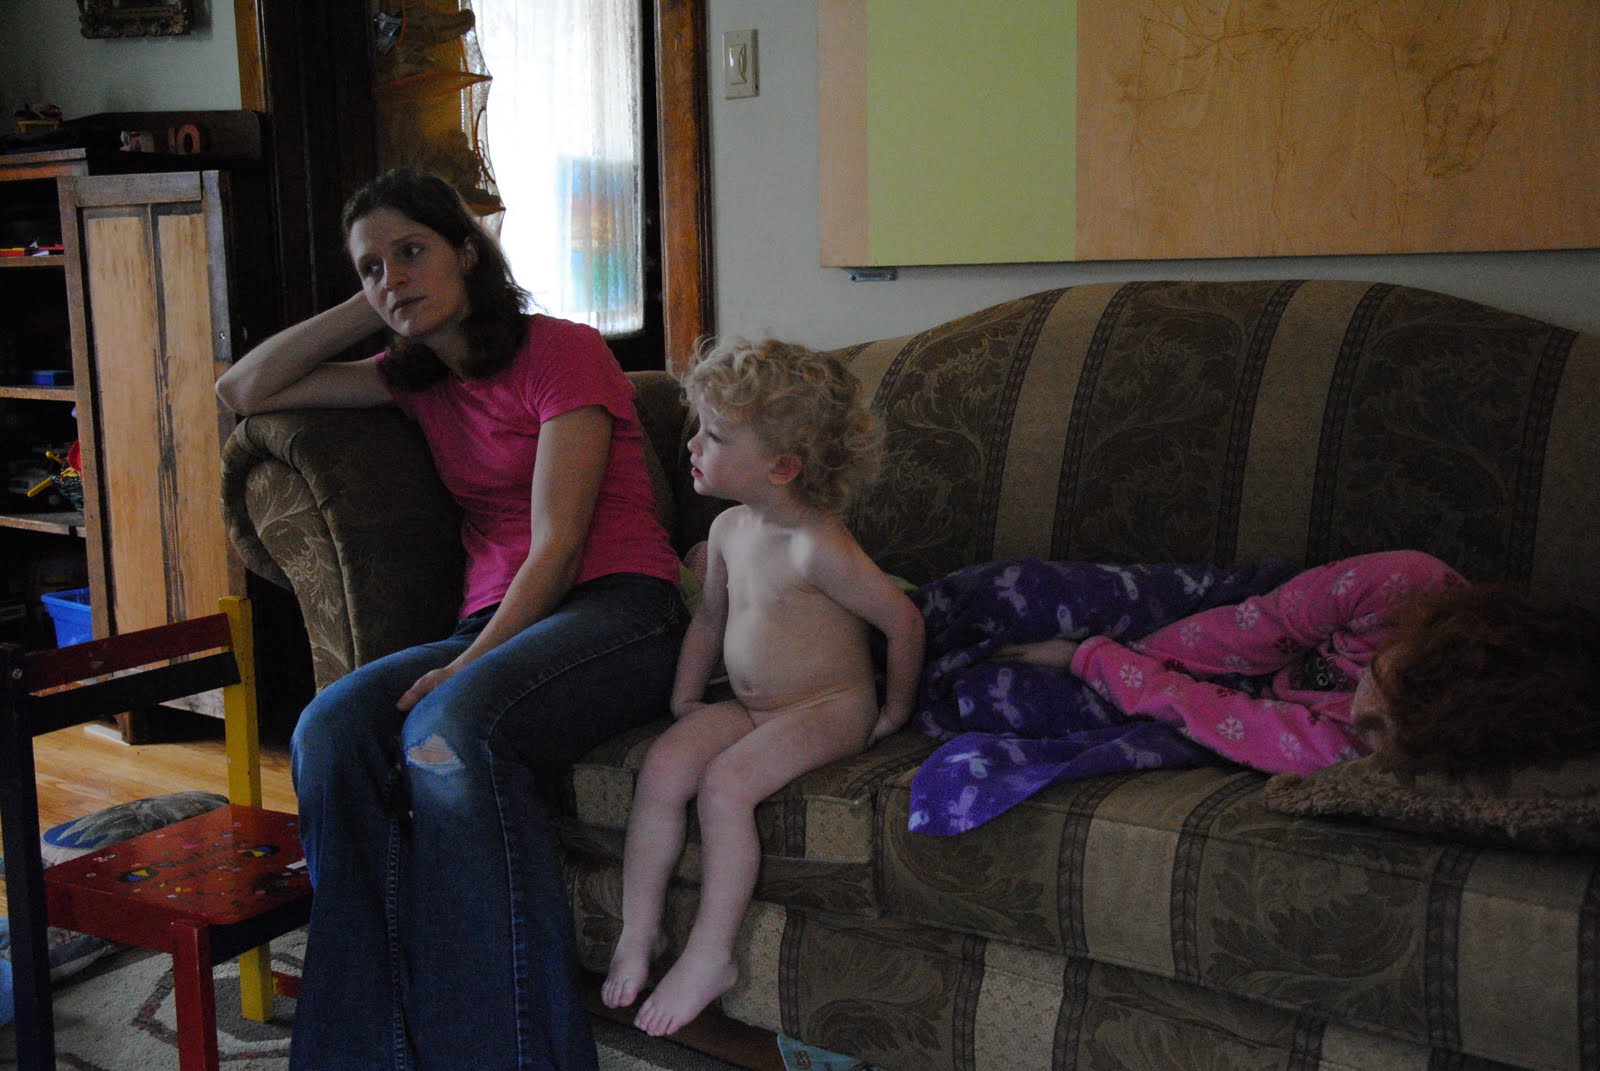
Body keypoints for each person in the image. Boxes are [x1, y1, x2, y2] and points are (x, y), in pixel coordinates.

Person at [214, 168, 688, 1071]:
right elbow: (244, 388)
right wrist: (379, 301)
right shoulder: (413, 379)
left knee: (450, 731)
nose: (393, 275)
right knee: (328, 733)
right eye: (371, 265)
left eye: (413, 250)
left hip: (621, 608)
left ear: (468, 252)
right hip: (495, 622)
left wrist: (467, 667)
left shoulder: (564, 350)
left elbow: (559, 547)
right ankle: (363, 1058)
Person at [599, 339, 925, 1036]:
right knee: (664, 766)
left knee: (724, 787)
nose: (692, 444)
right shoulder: (725, 528)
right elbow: (710, 617)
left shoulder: (816, 544)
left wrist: (895, 711)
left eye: (714, 435)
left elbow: (902, 621)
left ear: (782, 466)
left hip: (828, 708)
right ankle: (639, 928)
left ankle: (710, 955)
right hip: (752, 705)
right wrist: (686, 697)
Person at [994, 549, 1600, 775]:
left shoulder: (1366, 753)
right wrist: (1137, 652)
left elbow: (1227, 718)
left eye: (1378, 730)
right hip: (1237, 618)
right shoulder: (1403, 584)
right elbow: (1263, 624)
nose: (1360, 716)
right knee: (1021, 594)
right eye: (1382, 692)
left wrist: (1096, 663)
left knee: (1016, 705)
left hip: (1224, 703)